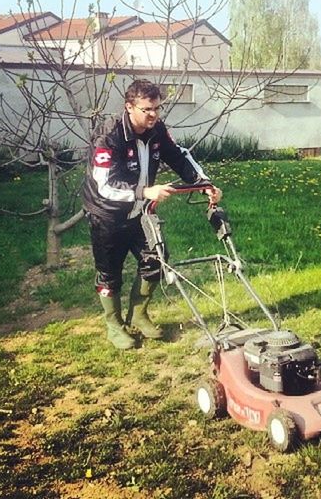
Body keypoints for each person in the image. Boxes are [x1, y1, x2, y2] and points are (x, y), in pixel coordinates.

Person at [82, 79, 221, 350]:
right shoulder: (108, 136)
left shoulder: (157, 130)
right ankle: (114, 324)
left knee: (156, 259)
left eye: (157, 108)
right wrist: (144, 191)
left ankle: (139, 314)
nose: (154, 115)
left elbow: (179, 157)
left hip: (142, 212)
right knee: (109, 272)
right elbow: (104, 185)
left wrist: (204, 185)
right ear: (129, 107)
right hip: (108, 214)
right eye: (147, 109)